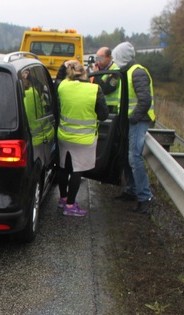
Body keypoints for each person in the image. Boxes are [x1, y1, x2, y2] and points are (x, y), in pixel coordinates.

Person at [56, 60, 108, 217]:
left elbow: (58, 78)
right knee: (76, 171)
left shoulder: (63, 86)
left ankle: (63, 198)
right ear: (85, 73)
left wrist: (64, 64)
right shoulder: (94, 90)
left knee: (64, 167)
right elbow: (104, 115)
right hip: (84, 139)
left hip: (64, 135)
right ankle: (71, 205)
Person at [112, 41, 156, 214]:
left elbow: (145, 100)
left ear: (121, 57)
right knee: (127, 157)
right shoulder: (127, 72)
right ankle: (132, 190)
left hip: (138, 121)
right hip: (131, 121)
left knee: (134, 158)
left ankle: (145, 197)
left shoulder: (137, 72)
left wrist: (133, 118)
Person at [91, 47, 120, 113]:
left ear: (109, 58)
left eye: (101, 58)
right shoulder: (96, 69)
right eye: (97, 58)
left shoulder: (115, 71)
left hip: (111, 107)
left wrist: (96, 74)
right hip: (98, 105)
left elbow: (105, 89)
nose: (98, 61)